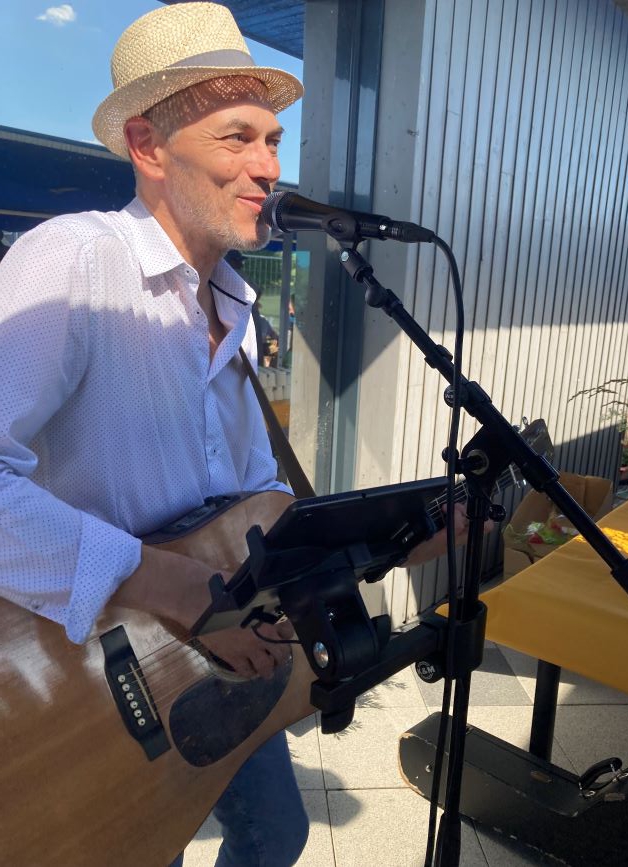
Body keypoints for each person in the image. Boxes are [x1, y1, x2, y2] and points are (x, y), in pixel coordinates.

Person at [0, 3, 470, 864]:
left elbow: (259, 510)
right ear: (148, 146)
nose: (270, 168)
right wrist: (171, 585)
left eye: (275, 141)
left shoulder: (234, 306)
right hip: (87, 682)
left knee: (277, 833)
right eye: (238, 138)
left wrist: (394, 542)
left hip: (210, 653)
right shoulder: (74, 261)